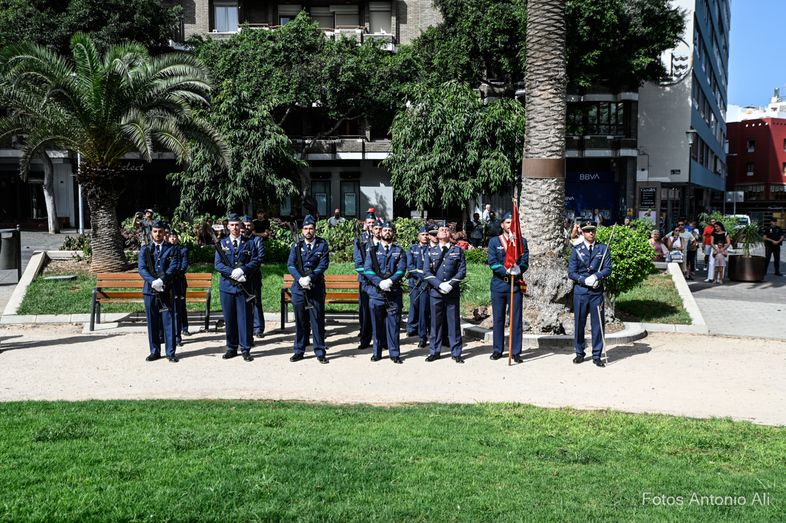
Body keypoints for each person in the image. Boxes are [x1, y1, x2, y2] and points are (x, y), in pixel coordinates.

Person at [214, 213, 262, 362]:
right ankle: (231, 348)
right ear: (228, 227)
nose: (235, 227)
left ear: (241, 226)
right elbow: (218, 264)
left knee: (245, 318)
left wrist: (242, 270)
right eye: (232, 225)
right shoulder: (222, 244)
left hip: (244, 286)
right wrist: (232, 272)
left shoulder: (249, 243)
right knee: (230, 319)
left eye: (237, 225)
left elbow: (256, 261)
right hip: (227, 287)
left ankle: (245, 349)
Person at [567, 221, 612, 368]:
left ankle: (597, 355)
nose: (591, 233)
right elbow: (571, 272)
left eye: (592, 230)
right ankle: (579, 353)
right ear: (582, 233)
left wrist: (597, 276)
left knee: (598, 324)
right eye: (587, 231)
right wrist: (583, 279)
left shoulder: (603, 248)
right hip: (581, 291)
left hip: (596, 292)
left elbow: (608, 268)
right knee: (579, 323)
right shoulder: (576, 249)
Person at [487, 212, 529, 363]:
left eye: (513, 222)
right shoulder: (494, 241)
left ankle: (515, 351)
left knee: (516, 320)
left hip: (515, 285)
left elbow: (525, 261)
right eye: (507, 222)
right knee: (498, 319)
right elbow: (492, 262)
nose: (510, 225)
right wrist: (506, 270)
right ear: (502, 225)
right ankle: (497, 350)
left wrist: (518, 269)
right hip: (499, 285)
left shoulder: (521, 241)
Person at [287, 215, 330, 364]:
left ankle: (320, 351)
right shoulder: (296, 245)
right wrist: (300, 278)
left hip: (315, 287)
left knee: (317, 321)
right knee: (300, 321)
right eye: (305, 228)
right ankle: (299, 350)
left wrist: (310, 277)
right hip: (299, 288)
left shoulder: (322, 244)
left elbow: (323, 264)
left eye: (311, 228)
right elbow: (291, 265)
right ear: (302, 230)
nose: (308, 231)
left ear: (315, 229)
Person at [363, 221, 407, 363]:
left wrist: (390, 281)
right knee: (377, 325)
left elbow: (401, 269)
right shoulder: (372, 250)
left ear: (393, 233)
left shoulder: (399, 250)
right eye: (385, 230)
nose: (387, 232)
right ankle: (377, 352)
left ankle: (394, 353)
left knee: (394, 325)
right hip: (377, 294)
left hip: (393, 293)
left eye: (390, 230)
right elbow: (367, 269)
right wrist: (379, 282)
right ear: (380, 232)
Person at [423, 222, 467, 363]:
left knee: (454, 323)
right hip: (436, 293)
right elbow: (426, 272)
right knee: (435, 323)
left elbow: (462, 271)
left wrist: (450, 284)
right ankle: (434, 351)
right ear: (437, 234)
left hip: (452, 292)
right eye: (442, 230)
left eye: (447, 230)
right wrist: (439, 284)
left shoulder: (457, 250)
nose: (444, 232)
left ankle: (456, 352)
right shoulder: (430, 251)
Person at [138, 220, 179, 363]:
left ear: (164, 233)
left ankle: (170, 352)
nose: (158, 234)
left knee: (168, 321)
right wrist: (152, 281)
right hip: (150, 291)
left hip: (165, 290)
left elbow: (174, 266)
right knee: (152, 321)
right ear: (151, 233)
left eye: (160, 231)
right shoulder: (145, 249)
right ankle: (154, 351)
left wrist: (162, 280)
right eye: (155, 231)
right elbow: (142, 268)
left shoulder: (171, 249)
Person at [353, 211, 377, 351]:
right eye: (369, 223)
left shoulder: (379, 238)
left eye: (373, 223)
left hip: (378, 281)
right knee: (365, 311)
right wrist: (370, 276)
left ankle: (380, 339)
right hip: (365, 281)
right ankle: (365, 338)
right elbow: (358, 262)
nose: (371, 225)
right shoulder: (360, 239)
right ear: (365, 224)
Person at [406, 225, 431, 348]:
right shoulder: (412, 249)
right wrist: (421, 276)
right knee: (414, 305)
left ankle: (425, 333)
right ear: (418, 236)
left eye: (426, 235)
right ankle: (412, 328)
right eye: (422, 235)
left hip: (427, 283)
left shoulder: (432, 249)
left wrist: (426, 277)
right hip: (415, 282)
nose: (425, 237)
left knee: (425, 309)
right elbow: (410, 266)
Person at [242, 216, 266, 338]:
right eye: (245, 225)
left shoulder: (257, 240)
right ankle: (247, 327)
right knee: (243, 302)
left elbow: (260, 258)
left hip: (254, 275)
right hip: (240, 277)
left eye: (249, 225)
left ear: (252, 226)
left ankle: (258, 328)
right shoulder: (240, 240)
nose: (246, 227)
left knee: (256, 302)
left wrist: (246, 269)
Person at [167, 229, 190, 345]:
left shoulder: (182, 249)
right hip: (168, 281)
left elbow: (184, 264)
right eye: (171, 236)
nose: (173, 238)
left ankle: (183, 329)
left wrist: (176, 273)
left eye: (174, 236)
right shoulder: (166, 249)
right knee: (171, 307)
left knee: (181, 306)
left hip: (179, 281)